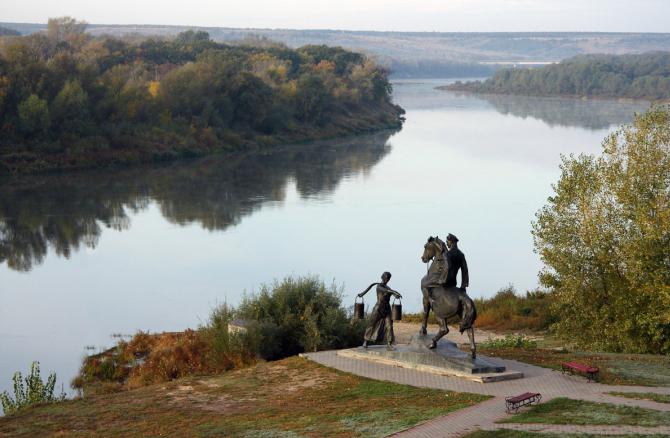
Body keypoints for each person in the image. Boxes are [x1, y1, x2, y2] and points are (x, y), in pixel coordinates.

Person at [358, 271, 402, 350]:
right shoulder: (379, 286)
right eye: (387, 278)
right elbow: (387, 291)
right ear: (383, 277)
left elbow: (392, 293)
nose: (387, 280)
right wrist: (394, 292)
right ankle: (366, 341)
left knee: (389, 326)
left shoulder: (388, 288)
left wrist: (396, 295)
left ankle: (389, 344)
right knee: (372, 325)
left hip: (387, 310)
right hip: (378, 309)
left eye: (388, 279)